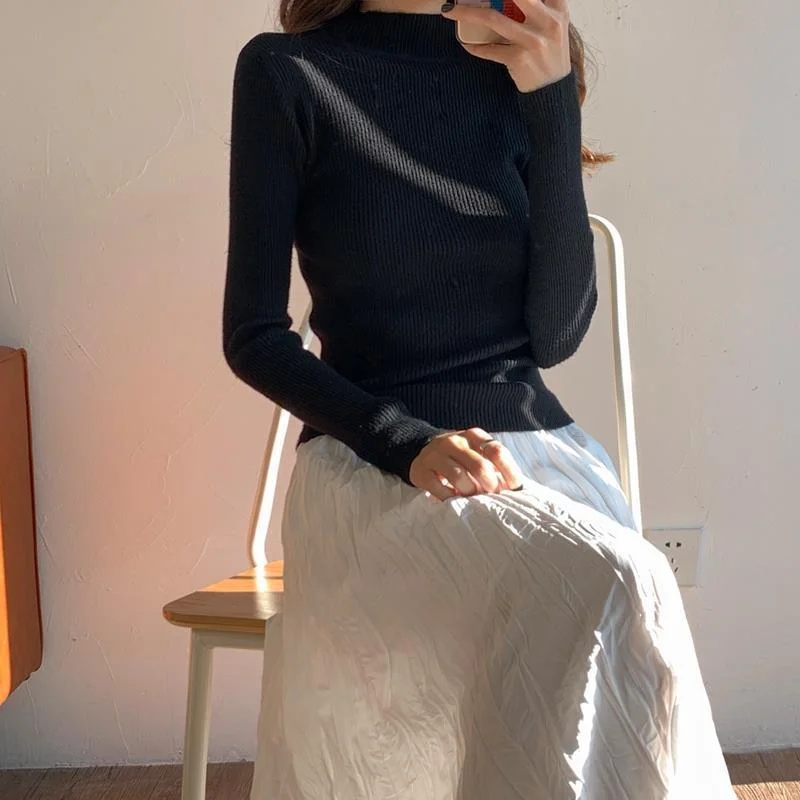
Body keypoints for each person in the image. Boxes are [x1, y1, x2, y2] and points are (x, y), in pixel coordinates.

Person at [222, 0, 736, 796]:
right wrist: (407, 441)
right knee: (620, 577)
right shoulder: (288, 71)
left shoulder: (519, 64)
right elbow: (254, 337)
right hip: (376, 466)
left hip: (543, 456)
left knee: (610, 593)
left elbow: (556, 336)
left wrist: (551, 101)